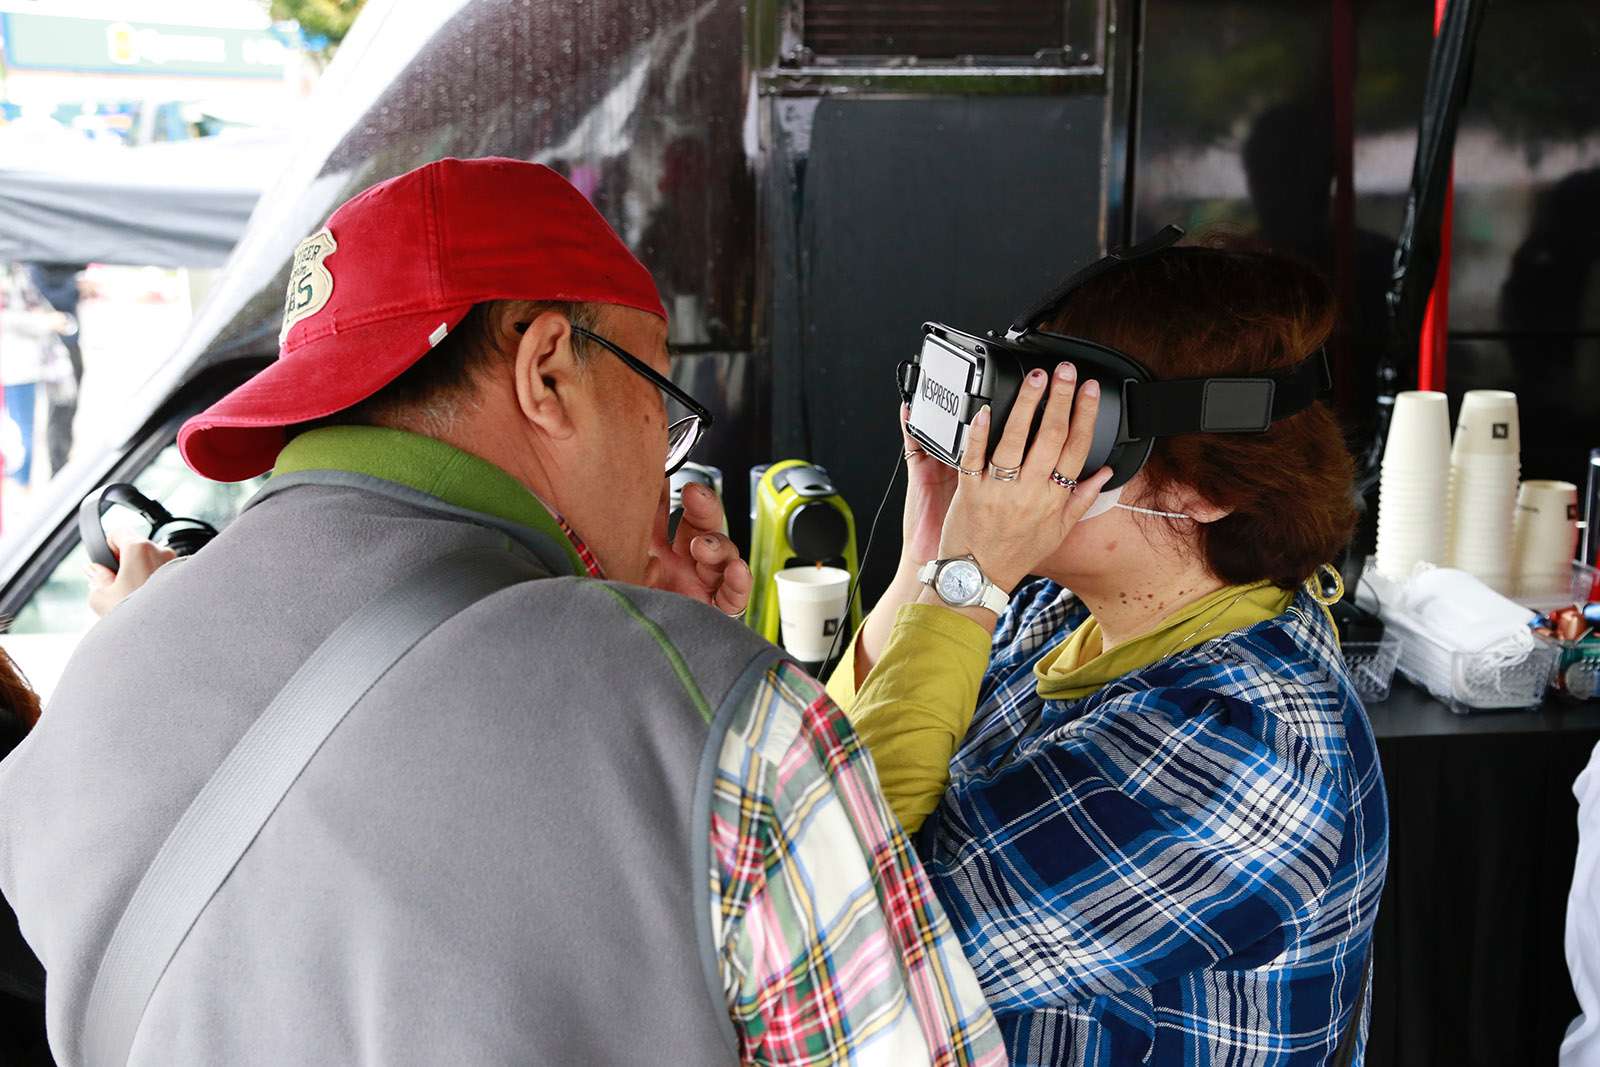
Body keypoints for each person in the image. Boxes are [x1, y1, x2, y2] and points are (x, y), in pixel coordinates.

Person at [0, 158, 1003, 1066]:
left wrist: (631, 625)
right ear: (548, 369)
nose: (666, 455)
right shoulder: (717, 713)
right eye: (660, 395)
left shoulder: (92, 688)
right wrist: (687, 667)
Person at [828, 238, 1389, 1065]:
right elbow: (831, 778)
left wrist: (967, 579)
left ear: (1209, 488)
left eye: (1075, 429)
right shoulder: (1063, 612)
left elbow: (836, 942)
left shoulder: (1244, 754)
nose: (1021, 452)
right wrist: (930, 553)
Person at [1, 265, 75, 488]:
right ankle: (20, 483)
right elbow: (7, 318)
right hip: (17, 365)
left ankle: (22, 482)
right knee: (22, 429)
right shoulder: (10, 275)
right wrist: (45, 322)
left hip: (33, 363)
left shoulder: (19, 272)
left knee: (28, 427)